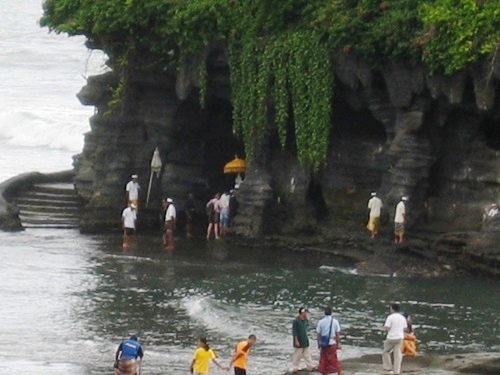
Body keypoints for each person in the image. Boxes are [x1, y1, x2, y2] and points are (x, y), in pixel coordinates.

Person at [382, 303, 407, 375]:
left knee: (386, 352)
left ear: (392, 309)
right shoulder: (402, 318)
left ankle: (388, 367)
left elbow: (387, 327)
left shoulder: (390, 317)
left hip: (391, 337)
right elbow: (405, 328)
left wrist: (384, 329)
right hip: (400, 337)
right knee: (398, 354)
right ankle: (397, 371)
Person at [316, 306, 342, 375]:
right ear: (331, 312)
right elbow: (337, 334)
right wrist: (338, 343)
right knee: (332, 358)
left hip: (324, 343)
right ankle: (333, 372)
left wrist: (318, 343)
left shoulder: (321, 322)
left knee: (324, 358)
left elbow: (318, 334)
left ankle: (324, 371)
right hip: (332, 342)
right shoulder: (335, 322)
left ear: (324, 312)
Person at [292, 307, 314, 372]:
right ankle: (295, 368)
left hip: (305, 340)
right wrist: (296, 340)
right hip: (299, 341)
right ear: (302, 313)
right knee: (297, 355)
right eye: (306, 313)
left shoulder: (305, 320)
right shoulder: (296, 321)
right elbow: (294, 332)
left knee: (307, 355)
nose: (307, 314)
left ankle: (309, 366)